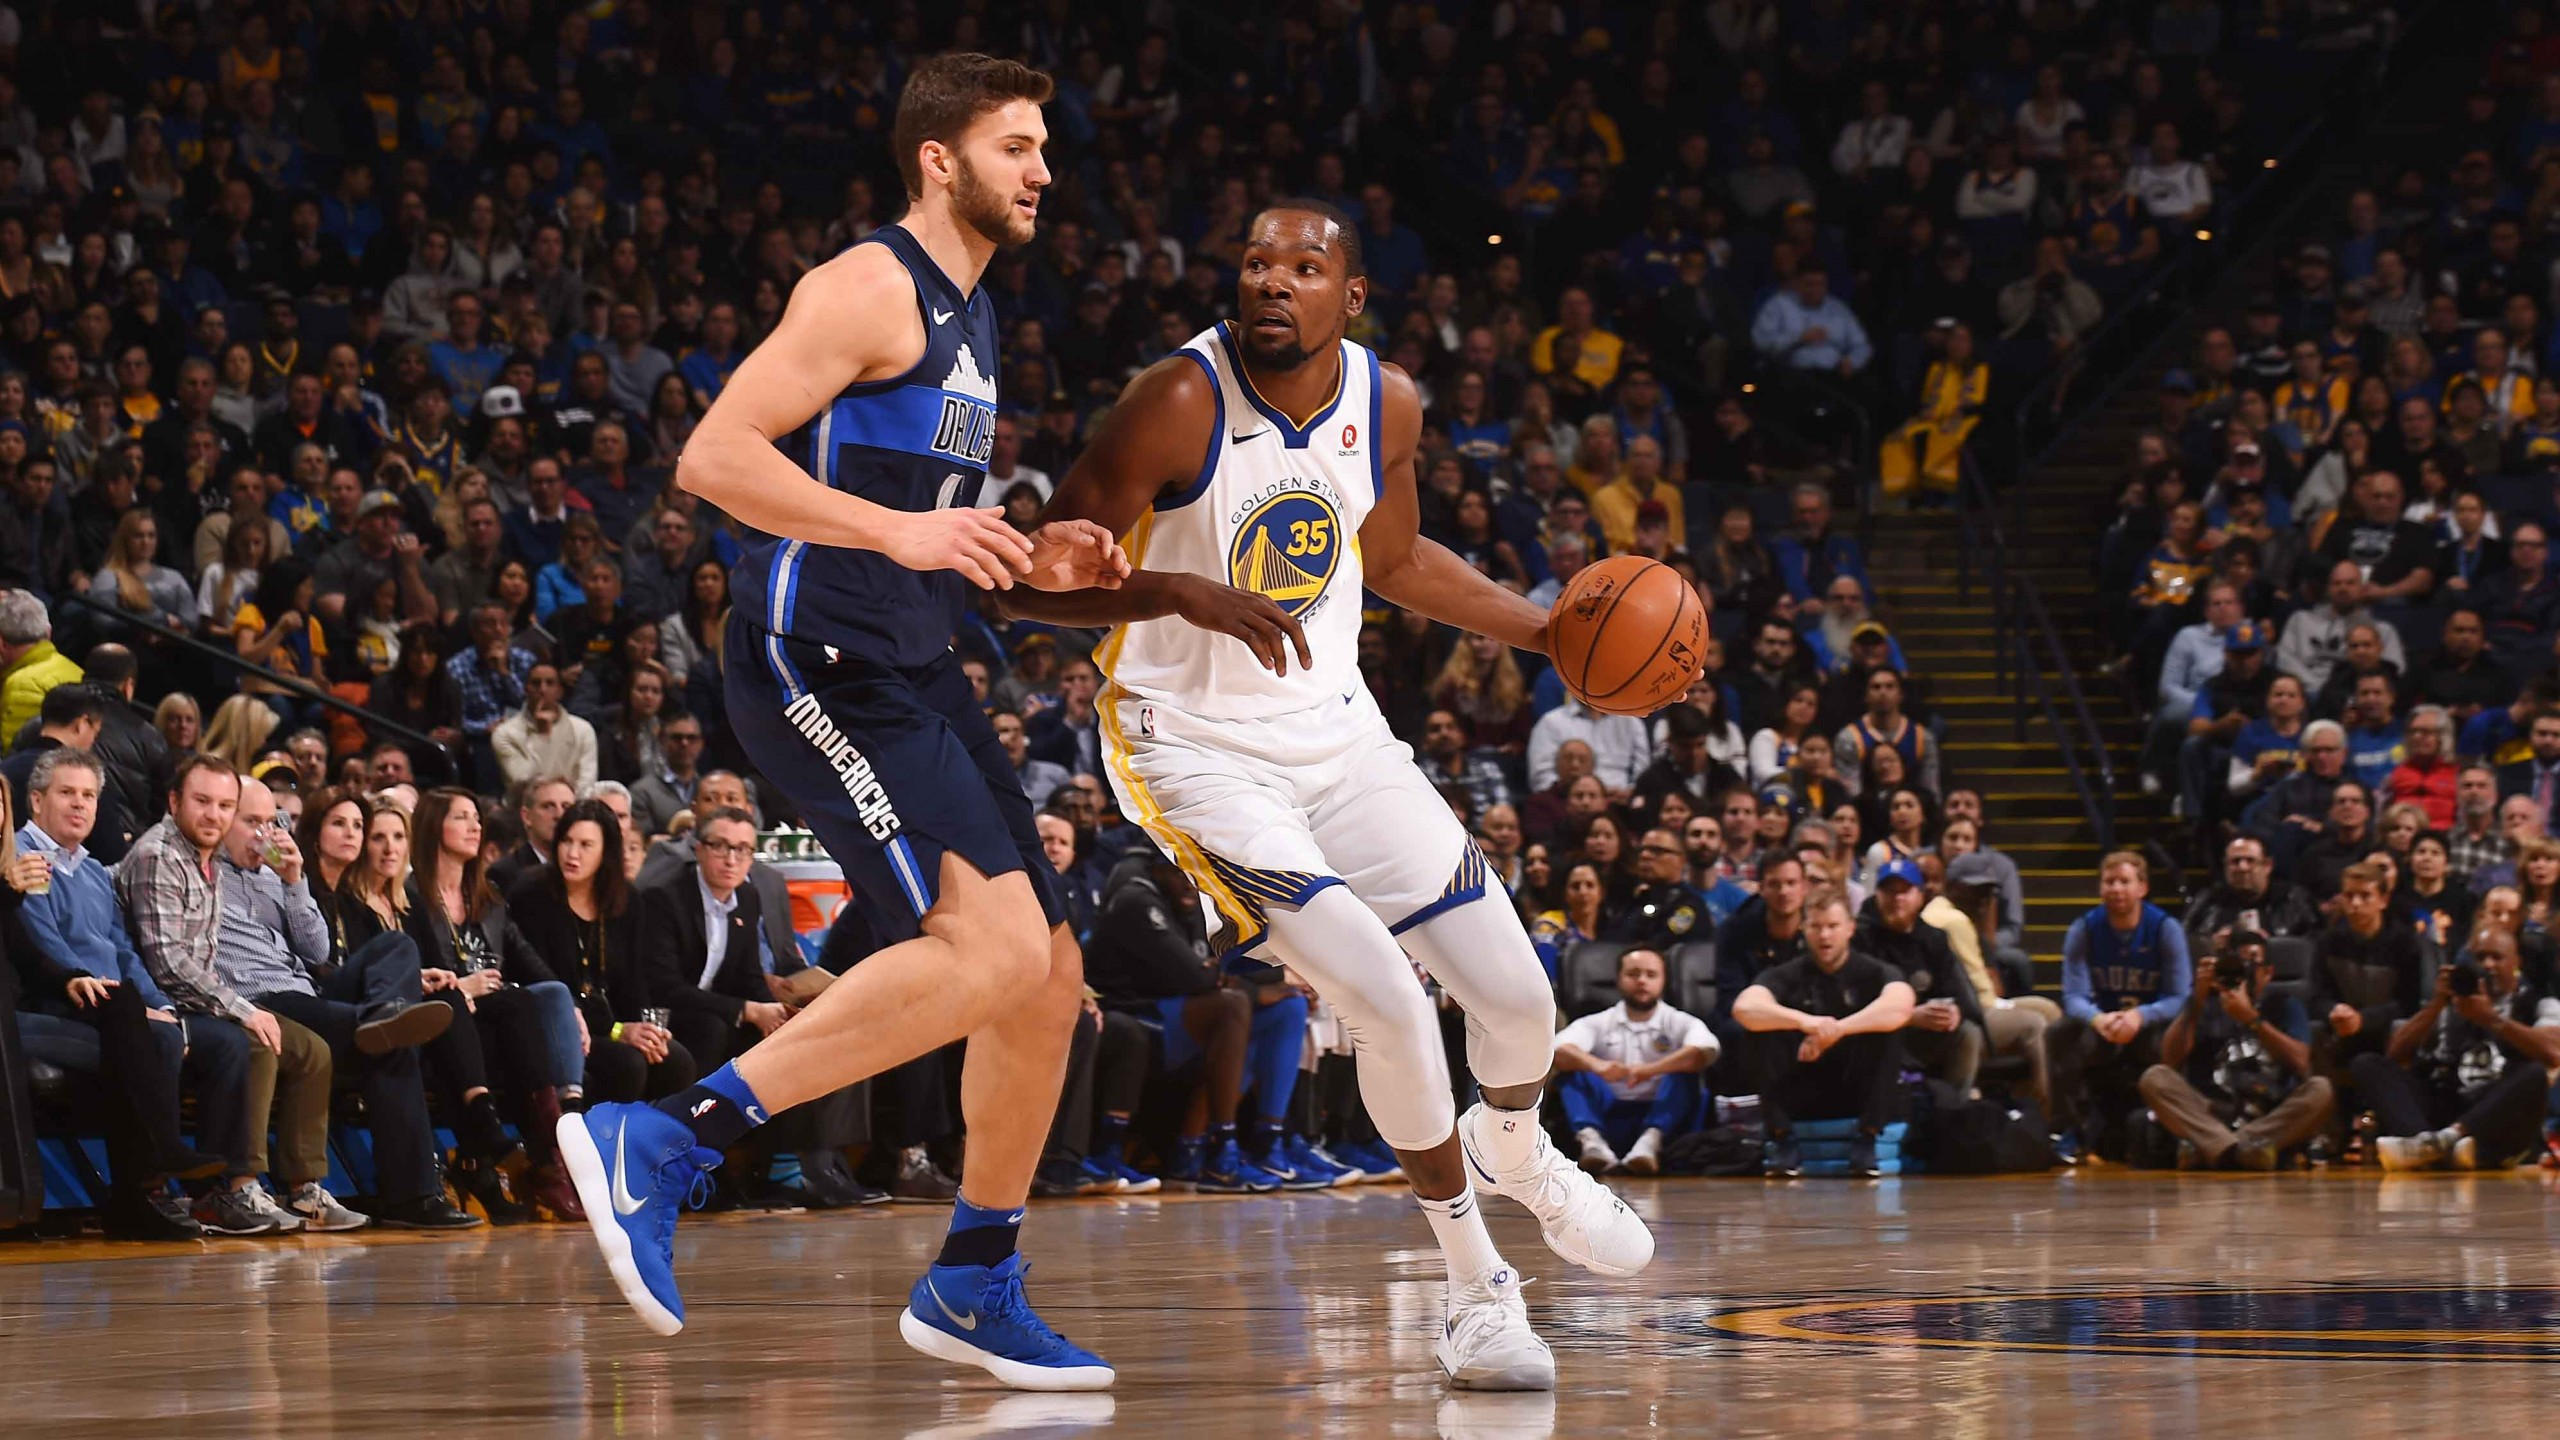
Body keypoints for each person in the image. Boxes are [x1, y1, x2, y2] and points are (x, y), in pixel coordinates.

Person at [1007, 193, 1665, 1392]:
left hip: (1341, 735)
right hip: (1192, 746)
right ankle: (1474, 1290)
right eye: (1255, 263)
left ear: (1350, 296)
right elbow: (1024, 585)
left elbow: (1394, 560)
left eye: (1302, 268)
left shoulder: (1387, 401)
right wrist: (1175, 593)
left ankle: (1515, 1148)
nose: (1272, 281)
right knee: (1388, 1002)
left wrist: (1549, 635)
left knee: (1518, 999)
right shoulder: (1177, 400)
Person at [556, 59, 1129, 1385]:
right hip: (814, 655)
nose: (1042, 170)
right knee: (987, 950)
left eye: (1044, 147)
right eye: (1016, 145)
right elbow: (715, 458)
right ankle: (666, 1139)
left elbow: (921, 520)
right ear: (939, 159)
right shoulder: (869, 284)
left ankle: (975, 1279)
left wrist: (1028, 554)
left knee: (1048, 975)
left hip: (914, 656)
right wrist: (901, 533)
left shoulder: (973, 313)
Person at [213, 774, 474, 1229]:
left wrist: (293, 882)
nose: (263, 834)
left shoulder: (275, 875)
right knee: (392, 1044)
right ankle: (413, 1196)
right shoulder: (204, 873)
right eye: (251, 821)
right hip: (262, 999)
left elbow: (316, 951)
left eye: (270, 822)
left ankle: (384, 1014)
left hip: (306, 990)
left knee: (398, 947)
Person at [9, 750, 226, 1238]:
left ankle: (141, 1194)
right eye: (67, 793)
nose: (79, 804)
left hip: (115, 1009)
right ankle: (155, 1167)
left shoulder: (93, 871)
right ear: (36, 800)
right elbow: (44, 947)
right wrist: (116, 997)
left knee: (163, 1031)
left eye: (89, 795)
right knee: (140, 1031)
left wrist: (159, 1004)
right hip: (60, 1002)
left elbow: (124, 950)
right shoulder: (23, 860)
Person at [1729, 888, 1916, 1177]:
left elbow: (1901, 1006)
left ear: (1850, 928)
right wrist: (1807, 1023)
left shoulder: (1876, 972)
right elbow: (1744, 1008)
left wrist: (1837, 1030)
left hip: (1858, 1086)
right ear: (1804, 929)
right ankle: (1782, 1137)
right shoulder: (1787, 973)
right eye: (1816, 927)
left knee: (1889, 1030)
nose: (1824, 935)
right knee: (1759, 1028)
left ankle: (1867, 1136)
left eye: (1832, 926)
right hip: (1802, 1085)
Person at [2360, 926, 2560, 1171]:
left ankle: (2442, 1143)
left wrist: (2492, 1019)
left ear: (2516, 962)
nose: (2487, 965)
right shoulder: (2450, 1001)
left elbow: (2553, 1053)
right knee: (2367, 1064)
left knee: (2534, 1074)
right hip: (2448, 1098)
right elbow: (2395, 1054)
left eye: (2496, 957)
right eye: (2480, 957)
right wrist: (2436, 1004)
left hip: (2495, 1111)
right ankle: (2425, 1144)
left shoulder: (2539, 1001)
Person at [2137, 930, 2333, 1170]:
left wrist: (2252, 1019)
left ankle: (2218, 1149)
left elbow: (2300, 1061)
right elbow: (2170, 1060)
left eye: (2251, 965)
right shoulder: (2205, 1004)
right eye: (2237, 965)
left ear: (2268, 972)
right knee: (2154, 1077)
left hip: (2268, 1115)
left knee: (2321, 1089)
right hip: (2209, 1113)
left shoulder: (2284, 1005)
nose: (2243, 974)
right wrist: (2197, 1000)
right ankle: (2242, 1151)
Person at [2047, 850, 2193, 1162]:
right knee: (2059, 1034)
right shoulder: (2084, 929)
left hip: (2149, 1024)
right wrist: (2098, 1019)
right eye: (2109, 881)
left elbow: (2180, 996)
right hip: (2106, 1025)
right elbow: (2073, 997)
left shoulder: (2165, 928)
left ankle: (2169, 1127)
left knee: (2177, 1036)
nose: (2116, 888)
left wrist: (2140, 1016)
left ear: (2142, 887)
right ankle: (2070, 1130)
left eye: (2124, 881)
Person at [1552, 948, 1717, 1175]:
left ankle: (1649, 1144)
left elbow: (1703, 1051)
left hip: (1663, 1117)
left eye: (1651, 975)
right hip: (1610, 1116)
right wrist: (1598, 1066)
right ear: (1619, 979)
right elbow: (1558, 1050)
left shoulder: (1681, 1021)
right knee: (1573, 1073)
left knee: (1685, 1072)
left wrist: (1650, 1070)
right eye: (1633, 974)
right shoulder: (1597, 1022)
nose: (1642, 981)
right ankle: (1593, 1143)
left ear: (1664, 980)